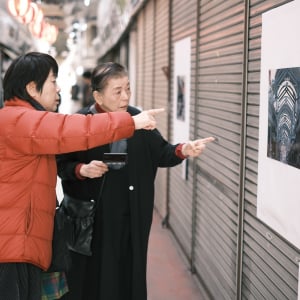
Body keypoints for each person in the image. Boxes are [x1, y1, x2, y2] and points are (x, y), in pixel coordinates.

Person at [0, 52, 163, 300]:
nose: (58, 89)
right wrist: (131, 122)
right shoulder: (20, 120)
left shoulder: (17, 119)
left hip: (21, 242)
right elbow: (77, 130)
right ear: (32, 88)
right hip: (13, 248)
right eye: (53, 81)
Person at [56, 62, 215, 300]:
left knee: (126, 273)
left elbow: (162, 152)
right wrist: (82, 169)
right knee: (90, 276)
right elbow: (61, 165)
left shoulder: (138, 121)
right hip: (92, 219)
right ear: (98, 95)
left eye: (127, 89)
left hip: (129, 216)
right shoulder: (81, 123)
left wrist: (184, 149)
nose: (125, 96)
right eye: (117, 91)